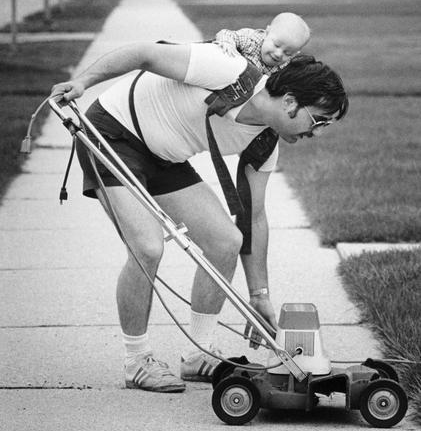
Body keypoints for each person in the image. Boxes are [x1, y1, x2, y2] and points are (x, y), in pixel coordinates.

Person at [50, 40, 348, 394]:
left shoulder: (265, 142)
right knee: (147, 247)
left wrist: (259, 294)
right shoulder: (226, 71)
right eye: (317, 120)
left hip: (165, 157)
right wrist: (83, 81)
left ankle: (199, 354)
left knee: (226, 241)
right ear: (289, 101)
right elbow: (144, 53)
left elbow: (253, 219)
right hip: (113, 132)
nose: (315, 133)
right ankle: (137, 361)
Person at [214, 12, 310, 74]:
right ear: (267, 33)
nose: (278, 54)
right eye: (276, 45)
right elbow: (226, 33)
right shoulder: (251, 40)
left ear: (295, 54)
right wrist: (227, 43)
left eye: (287, 53)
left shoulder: (286, 66)